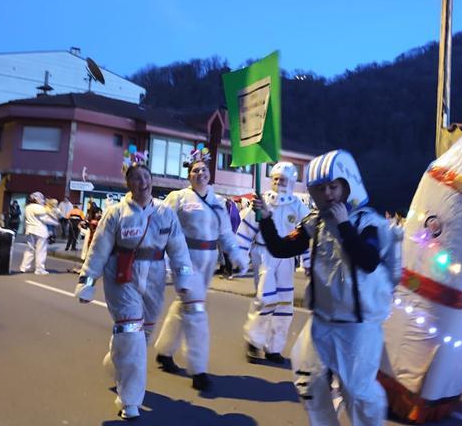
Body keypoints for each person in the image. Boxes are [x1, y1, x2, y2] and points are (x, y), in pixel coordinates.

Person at [253, 150, 397, 426]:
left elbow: (367, 260)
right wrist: (266, 219)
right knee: (308, 384)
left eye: (334, 186)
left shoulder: (369, 222)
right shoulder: (315, 222)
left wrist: (344, 225)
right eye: (321, 188)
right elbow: (281, 248)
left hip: (357, 327)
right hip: (321, 323)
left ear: (348, 184)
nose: (328, 194)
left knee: (357, 392)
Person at [74, 149, 196, 421]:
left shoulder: (166, 213)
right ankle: (130, 401)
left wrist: (184, 279)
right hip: (122, 279)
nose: (143, 183)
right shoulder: (115, 213)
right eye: (136, 178)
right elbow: (99, 249)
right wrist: (88, 282)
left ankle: (115, 362)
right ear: (128, 184)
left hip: (153, 281)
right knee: (130, 334)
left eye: (146, 177)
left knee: (139, 339)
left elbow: (178, 249)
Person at [153, 144, 249, 392]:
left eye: (204, 170)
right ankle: (198, 370)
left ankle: (164, 352)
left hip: (208, 261)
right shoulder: (178, 198)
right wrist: (162, 261)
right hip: (184, 259)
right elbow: (162, 229)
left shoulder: (218, 202)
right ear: (189, 174)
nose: (200, 174)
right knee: (195, 310)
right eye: (195, 170)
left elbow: (225, 233)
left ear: (210, 173)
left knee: (183, 306)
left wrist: (236, 255)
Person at [239, 161, 310, 364]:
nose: (279, 182)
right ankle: (254, 342)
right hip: (264, 256)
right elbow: (246, 230)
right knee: (266, 300)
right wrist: (239, 256)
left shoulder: (298, 207)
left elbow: (307, 237)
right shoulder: (262, 203)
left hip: (287, 259)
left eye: (283, 179)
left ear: (292, 181)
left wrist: (308, 264)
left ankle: (274, 346)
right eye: (276, 179)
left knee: (285, 306)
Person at [20, 192, 60, 275]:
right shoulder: (40, 208)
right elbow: (45, 219)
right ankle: (39, 269)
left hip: (29, 230)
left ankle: (24, 267)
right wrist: (56, 223)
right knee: (41, 251)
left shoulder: (28, 207)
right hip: (40, 231)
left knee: (29, 249)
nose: (42, 200)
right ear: (37, 199)